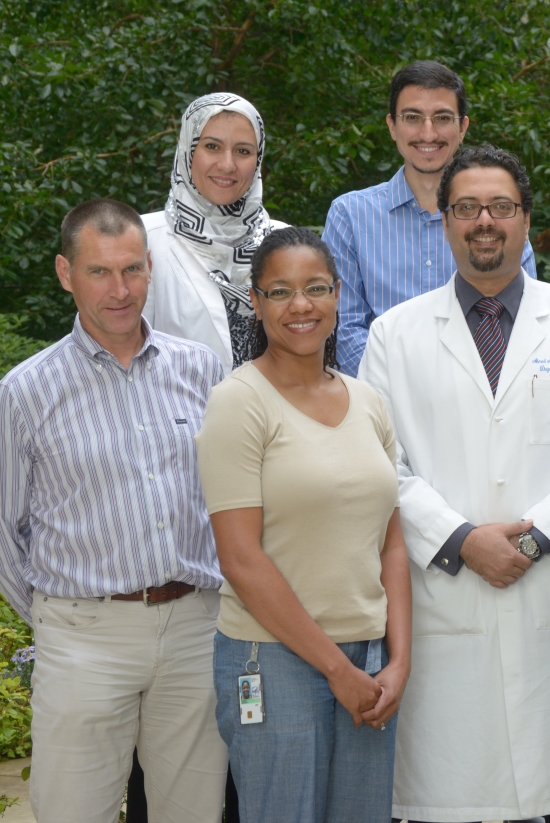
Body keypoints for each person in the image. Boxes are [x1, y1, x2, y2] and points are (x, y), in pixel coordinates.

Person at [358, 145, 550, 823]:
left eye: (501, 207)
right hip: (447, 604)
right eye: (467, 207)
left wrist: (536, 537)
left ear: (526, 220)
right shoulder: (395, 335)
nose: (485, 221)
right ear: (445, 222)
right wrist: (459, 539)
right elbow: (376, 465)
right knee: (454, 797)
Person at [0, 199, 227, 823]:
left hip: (196, 630)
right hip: (84, 636)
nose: (120, 290)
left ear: (149, 270)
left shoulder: (203, 371)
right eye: (99, 272)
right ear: (65, 274)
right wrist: (57, 620)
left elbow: (235, 499)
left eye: (133, 270)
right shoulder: (24, 392)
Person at [194, 226, 412, 822]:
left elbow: (391, 540)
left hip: (369, 659)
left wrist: (399, 660)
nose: (301, 306)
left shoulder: (369, 401)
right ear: (257, 303)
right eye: (281, 291)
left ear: (339, 295)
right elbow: (240, 558)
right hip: (273, 659)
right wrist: (336, 669)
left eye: (316, 288)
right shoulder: (239, 402)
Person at [324, 60, 537, 376]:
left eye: (442, 118)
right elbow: (343, 326)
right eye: (412, 117)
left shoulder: (497, 219)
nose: (428, 133)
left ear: (462, 127)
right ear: (392, 126)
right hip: (383, 407)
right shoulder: (350, 216)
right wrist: (404, 393)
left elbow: (521, 318)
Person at [142, 91, 289, 375]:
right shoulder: (143, 239)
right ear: (187, 150)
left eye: (243, 151)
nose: (227, 164)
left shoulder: (285, 243)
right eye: (212, 146)